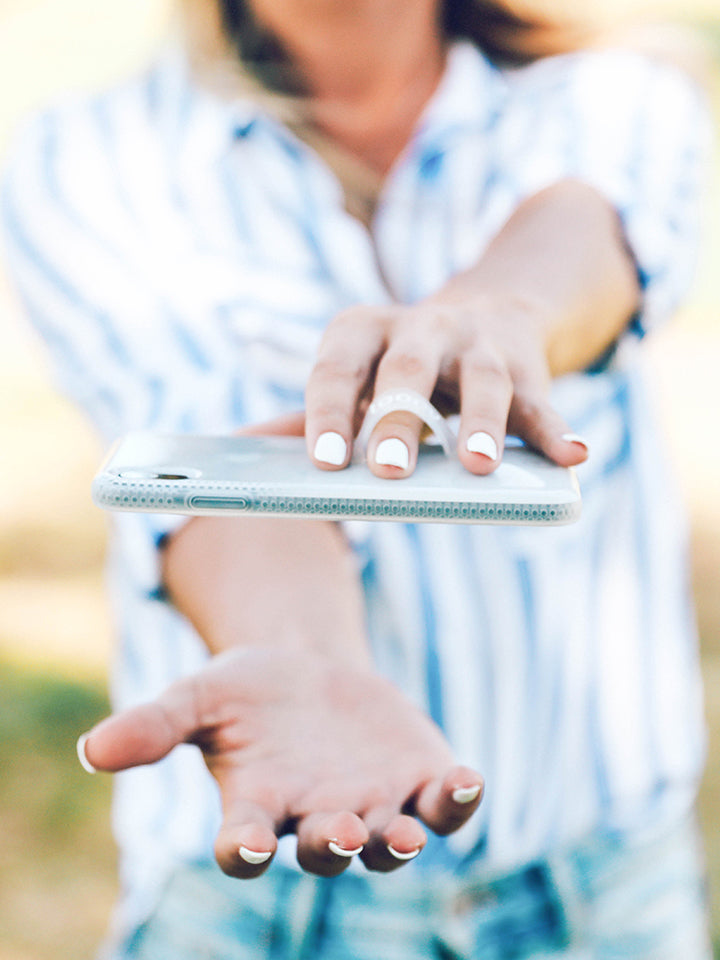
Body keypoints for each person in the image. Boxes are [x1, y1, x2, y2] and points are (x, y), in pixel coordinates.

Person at [1, 0, 714, 957]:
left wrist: (498, 315)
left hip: (608, 891)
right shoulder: (83, 161)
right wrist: (305, 658)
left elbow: (584, 236)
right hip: (270, 911)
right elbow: (215, 465)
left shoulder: (615, 94)